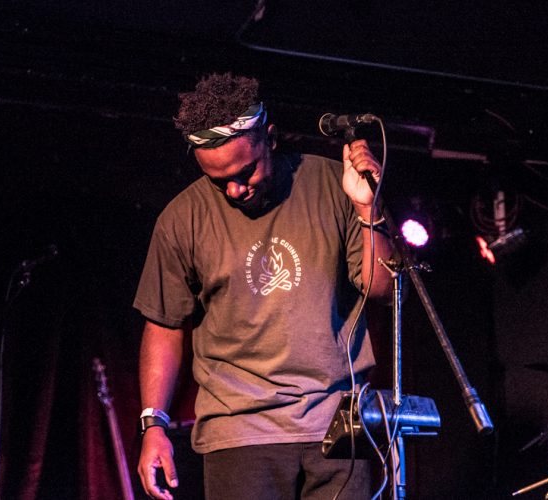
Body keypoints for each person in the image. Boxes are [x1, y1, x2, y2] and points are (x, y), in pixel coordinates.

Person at [133, 72, 395, 500]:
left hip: (338, 426)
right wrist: (153, 425)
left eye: (245, 172)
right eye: (219, 182)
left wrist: (368, 207)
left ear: (270, 139)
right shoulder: (182, 219)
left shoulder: (334, 185)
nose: (235, 190)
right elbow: (164, 326)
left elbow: (382, 288)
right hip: (239, 434)